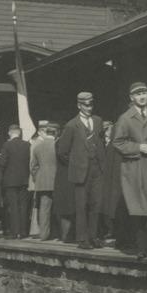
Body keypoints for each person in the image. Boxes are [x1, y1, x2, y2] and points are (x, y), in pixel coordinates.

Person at [113, 82, 147, 259]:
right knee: (139, 211)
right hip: (135, 169)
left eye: (144, 92)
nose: (142, 96)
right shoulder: (125, 118)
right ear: (132, 98)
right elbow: (118, 142)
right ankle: (142, 247)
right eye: (138, 94)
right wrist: (137, 147)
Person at [58, 92, 106, 249]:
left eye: (91, 104)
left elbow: (100, 143)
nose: (89, 107)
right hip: (81, 172)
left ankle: (93, 236)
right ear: (79, 105)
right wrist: (76, 164)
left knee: (96, 204)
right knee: (81, 205)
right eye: (86, 105)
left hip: (97, 169)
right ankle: (82, 239)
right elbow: (62, 151)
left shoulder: (98, 121)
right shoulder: (71, 125)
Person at [0, 124, 32, 239]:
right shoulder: (27, 145)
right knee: (23, 206)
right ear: (19, 133)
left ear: (9, 133)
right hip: (24, 180)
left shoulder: (6, 145)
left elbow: (2, 163)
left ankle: (15, 232)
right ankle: (23, 232)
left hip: (10, 181)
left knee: (13, 207)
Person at [31, 123, 58, 240]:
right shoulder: (58, 145)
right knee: (59, 208)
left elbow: (33, 166)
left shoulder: (37, 147)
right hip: (57, 180)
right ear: (56, 133)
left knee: (44, 209)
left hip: (42, 181)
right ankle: (59, 234)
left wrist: (37, 178)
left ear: (46, 133)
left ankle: (44, 234)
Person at [100, 120, 125, 246]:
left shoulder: (111, 146)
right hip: (120, 184)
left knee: (115, 210)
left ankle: (118, 237)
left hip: (112, 184)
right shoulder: (120, 146)